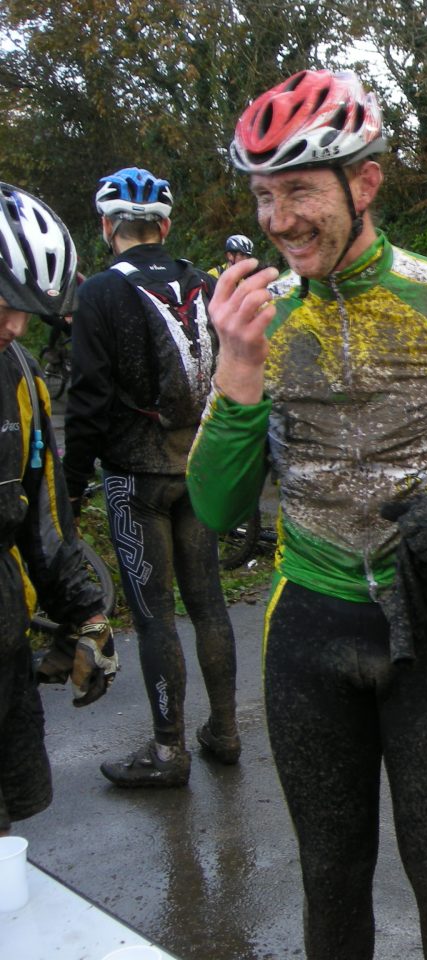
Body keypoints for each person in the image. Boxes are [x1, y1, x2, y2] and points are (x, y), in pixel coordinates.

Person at [185, 68, 427, 959]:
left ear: (366, 182)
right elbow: (215, 505)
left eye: (301, 190)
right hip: (307, 625)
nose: (279, 220)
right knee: (328, 872)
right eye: (264, 195)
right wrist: (236, 371)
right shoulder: (257, 317)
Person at [64, 165, 239, 787]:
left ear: (109, 225)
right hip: (197, 468)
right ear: (165, 225)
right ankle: (224, 731)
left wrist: (71, 482)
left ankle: (168, 751)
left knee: (155, 617)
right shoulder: (202, 282)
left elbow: (85, 400)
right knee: (210, 605)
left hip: (133, 478)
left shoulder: (99, 293)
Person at [0, 182, 116, 835]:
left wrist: (86, 615)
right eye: (4, 304)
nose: (17, 327)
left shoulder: (19, 375)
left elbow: (43, 516)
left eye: (27, 311)